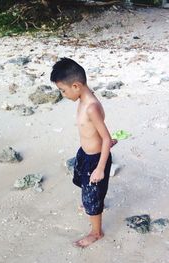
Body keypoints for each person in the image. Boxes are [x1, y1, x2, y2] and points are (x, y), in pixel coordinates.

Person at [50, 57, 116, 248]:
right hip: (85, 154)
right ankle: (90, 201)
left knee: (93, 197)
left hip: (96, 160)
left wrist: (100, 168)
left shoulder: (91, 107)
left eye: (63, 90)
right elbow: (97, 132)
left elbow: (104, 137)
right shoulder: (84, 97)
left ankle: (96, 232)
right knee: (87, 188)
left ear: (76, 85)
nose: (62, 94)